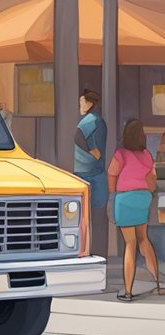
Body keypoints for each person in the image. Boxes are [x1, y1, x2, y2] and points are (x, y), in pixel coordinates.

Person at [109, 119, 161, 301]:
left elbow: (111, 174)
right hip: (142, 199)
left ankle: (129, 291)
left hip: (125, 199)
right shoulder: (147, 155)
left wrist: (114, 193)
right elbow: (152, 180)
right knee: (143, 239)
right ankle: (157, 283)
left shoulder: (120, 154)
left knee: (130, 244)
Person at [75, 89, 109, 252]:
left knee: (83, 217)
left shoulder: (90, 121)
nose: (80, 104)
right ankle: (99, 252)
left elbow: (79, 137)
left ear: (90, 103)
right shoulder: (96, 121)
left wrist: (91, 151)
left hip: (86, 173)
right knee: (98, 216)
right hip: (95, 173)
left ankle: (86, 250)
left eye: (82, 101)